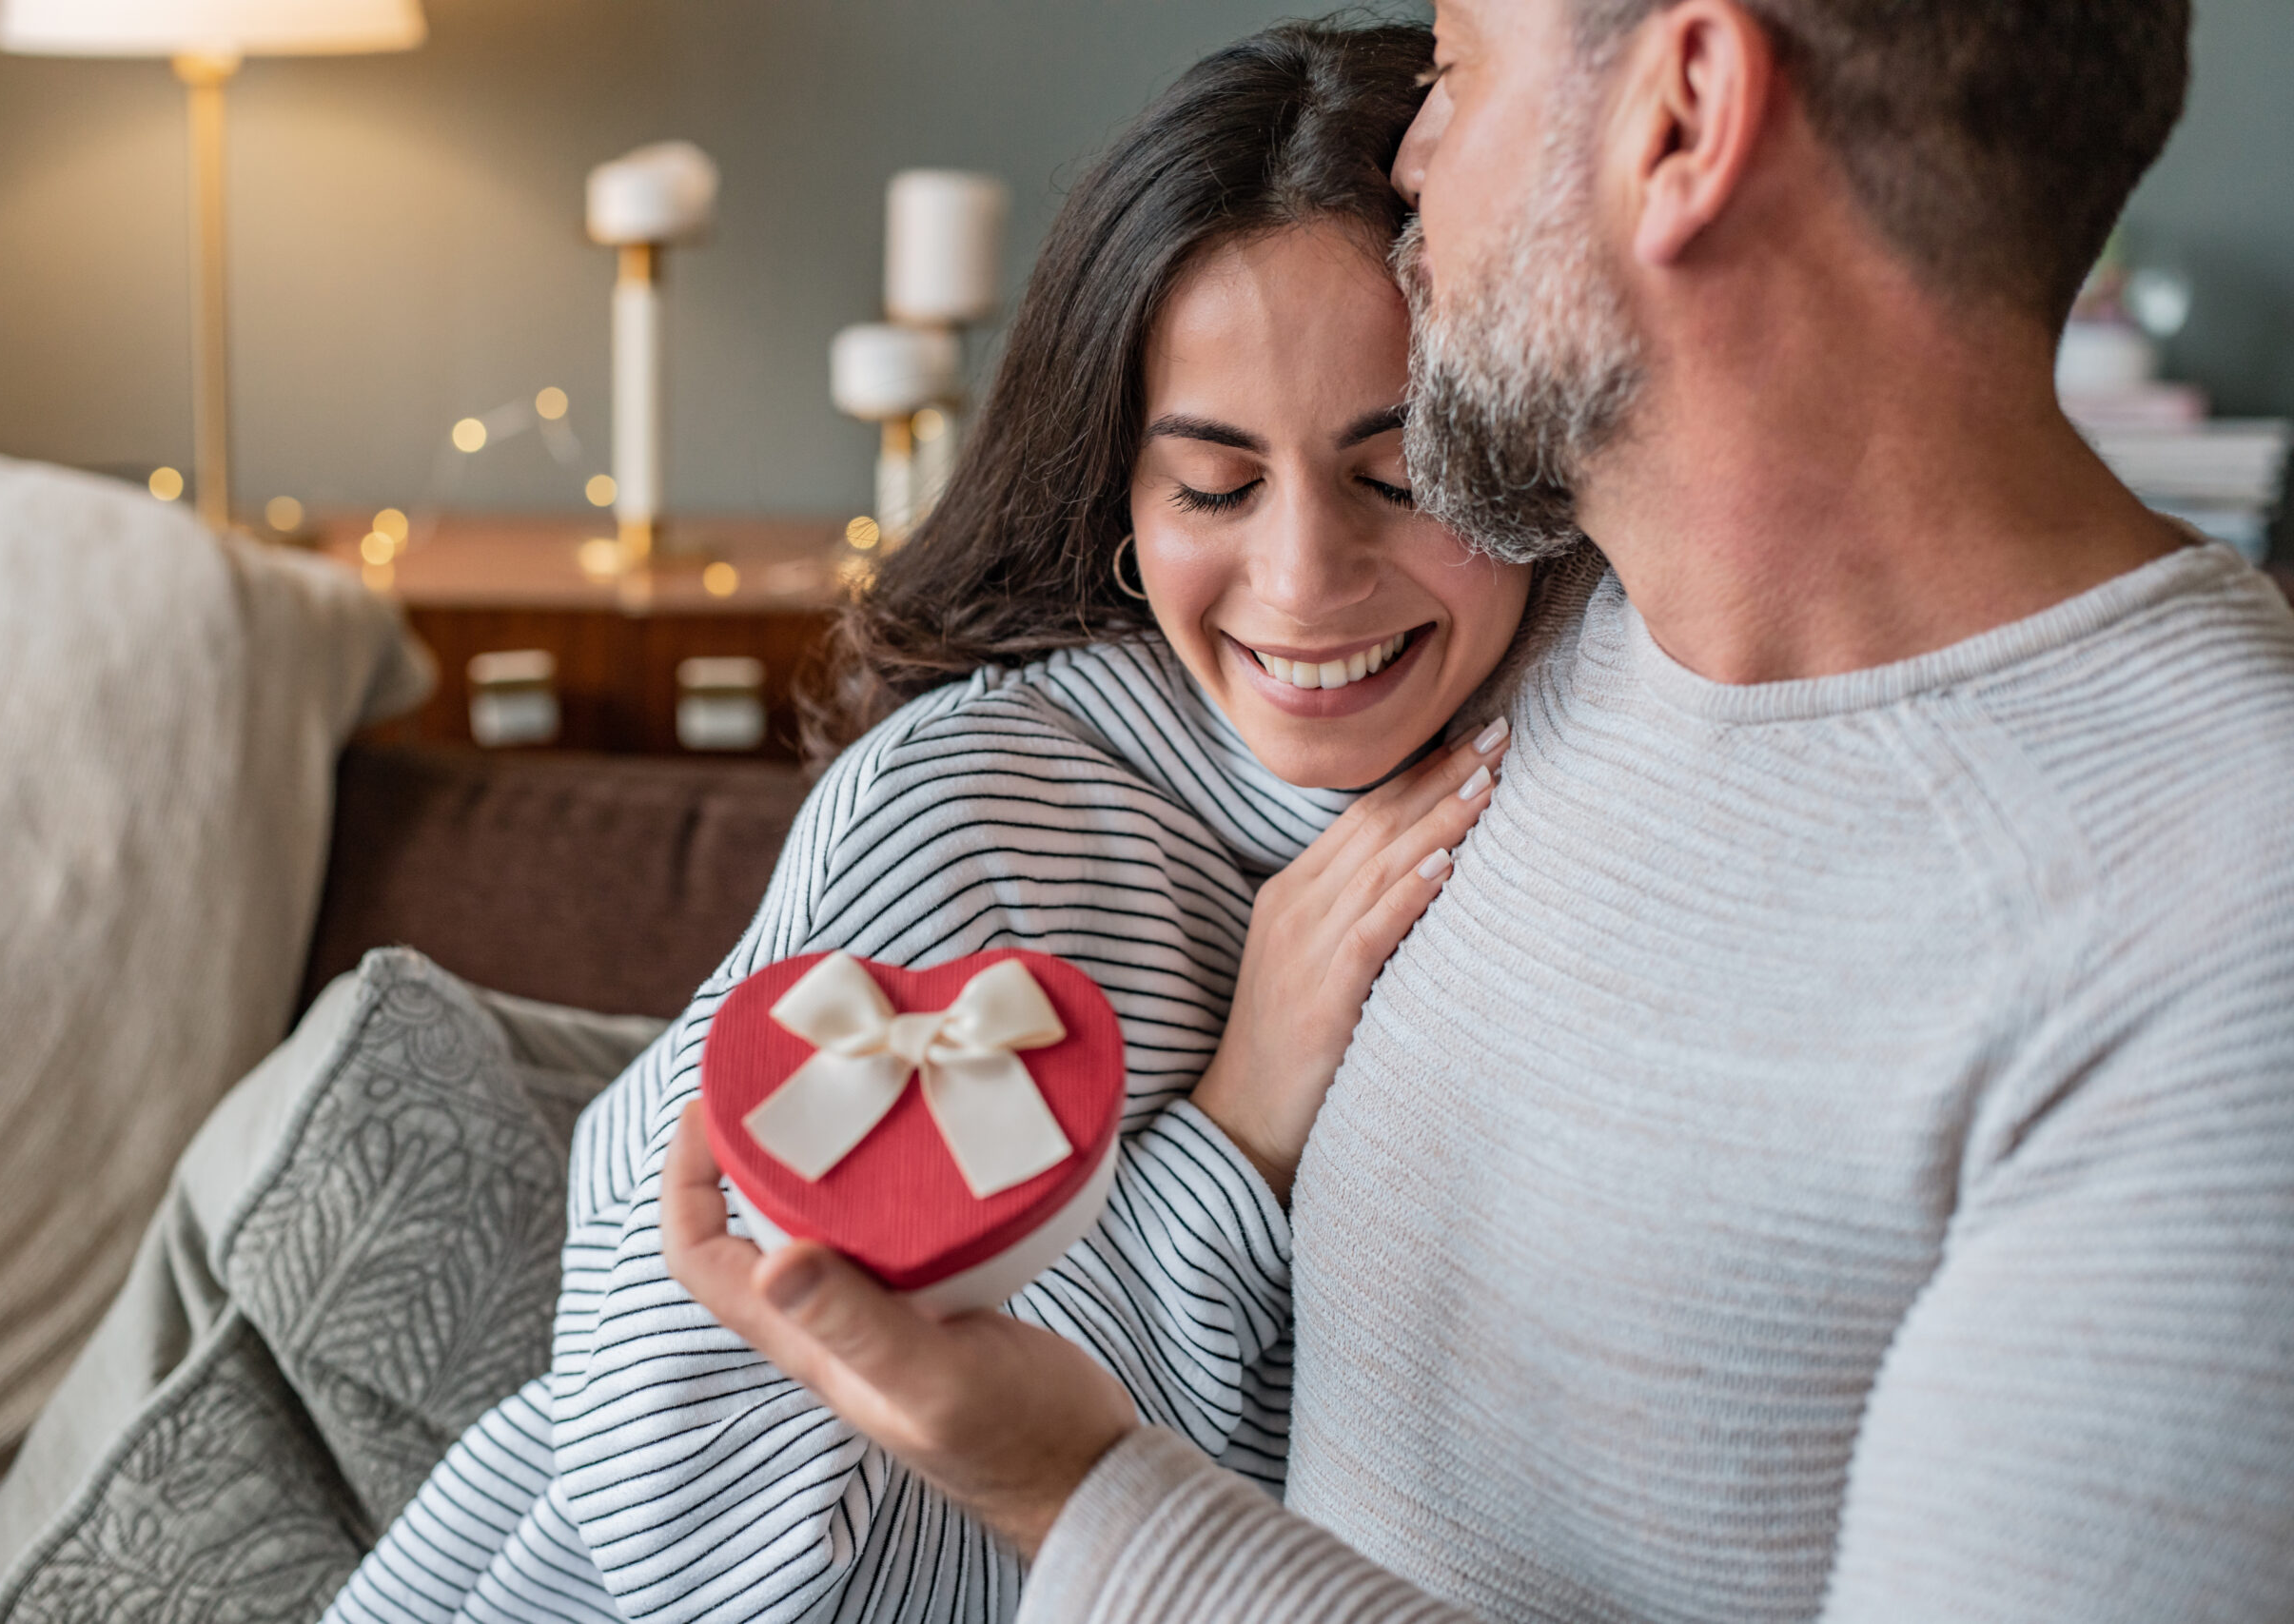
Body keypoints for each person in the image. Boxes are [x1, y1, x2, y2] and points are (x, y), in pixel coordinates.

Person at [663, 1, 2294, 1619]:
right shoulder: (1545, 637)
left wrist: (1076, 1491)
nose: (1414, 155)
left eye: (1456, 68)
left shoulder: (2221, 942)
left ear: (1683, 114)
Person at [325, 23, 1546, 1624]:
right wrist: (1235, 1130)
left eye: (1400, 474)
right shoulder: (971, 817)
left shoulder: (1559, 747)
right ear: (1121, 499)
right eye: (1215, 486)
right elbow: (682, 1528)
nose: (1306, 579)